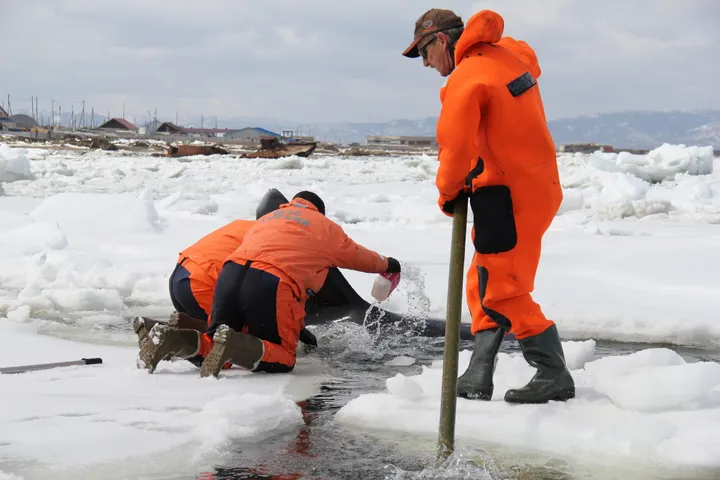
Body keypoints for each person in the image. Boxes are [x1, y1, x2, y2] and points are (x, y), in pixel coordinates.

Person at [402, 9, 574, 404]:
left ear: (442, 41)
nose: (426, 64)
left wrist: (447, 194)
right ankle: (479, 371)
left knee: (502, 290)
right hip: (534, 185)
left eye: (425, 53)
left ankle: (553, 372)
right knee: (483, 279)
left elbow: (455, 148)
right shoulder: (509, 56)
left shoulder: (469, 77)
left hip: (507, 196)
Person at [138, 191, 400, 377]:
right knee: (282, 359)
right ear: (318, 211)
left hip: (226, 273)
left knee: (217, 339)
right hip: (264, 280)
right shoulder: (323, 227)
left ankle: (173, 338)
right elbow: (357, 256)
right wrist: (389, 265)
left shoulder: (266, 220)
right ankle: (219, 343)